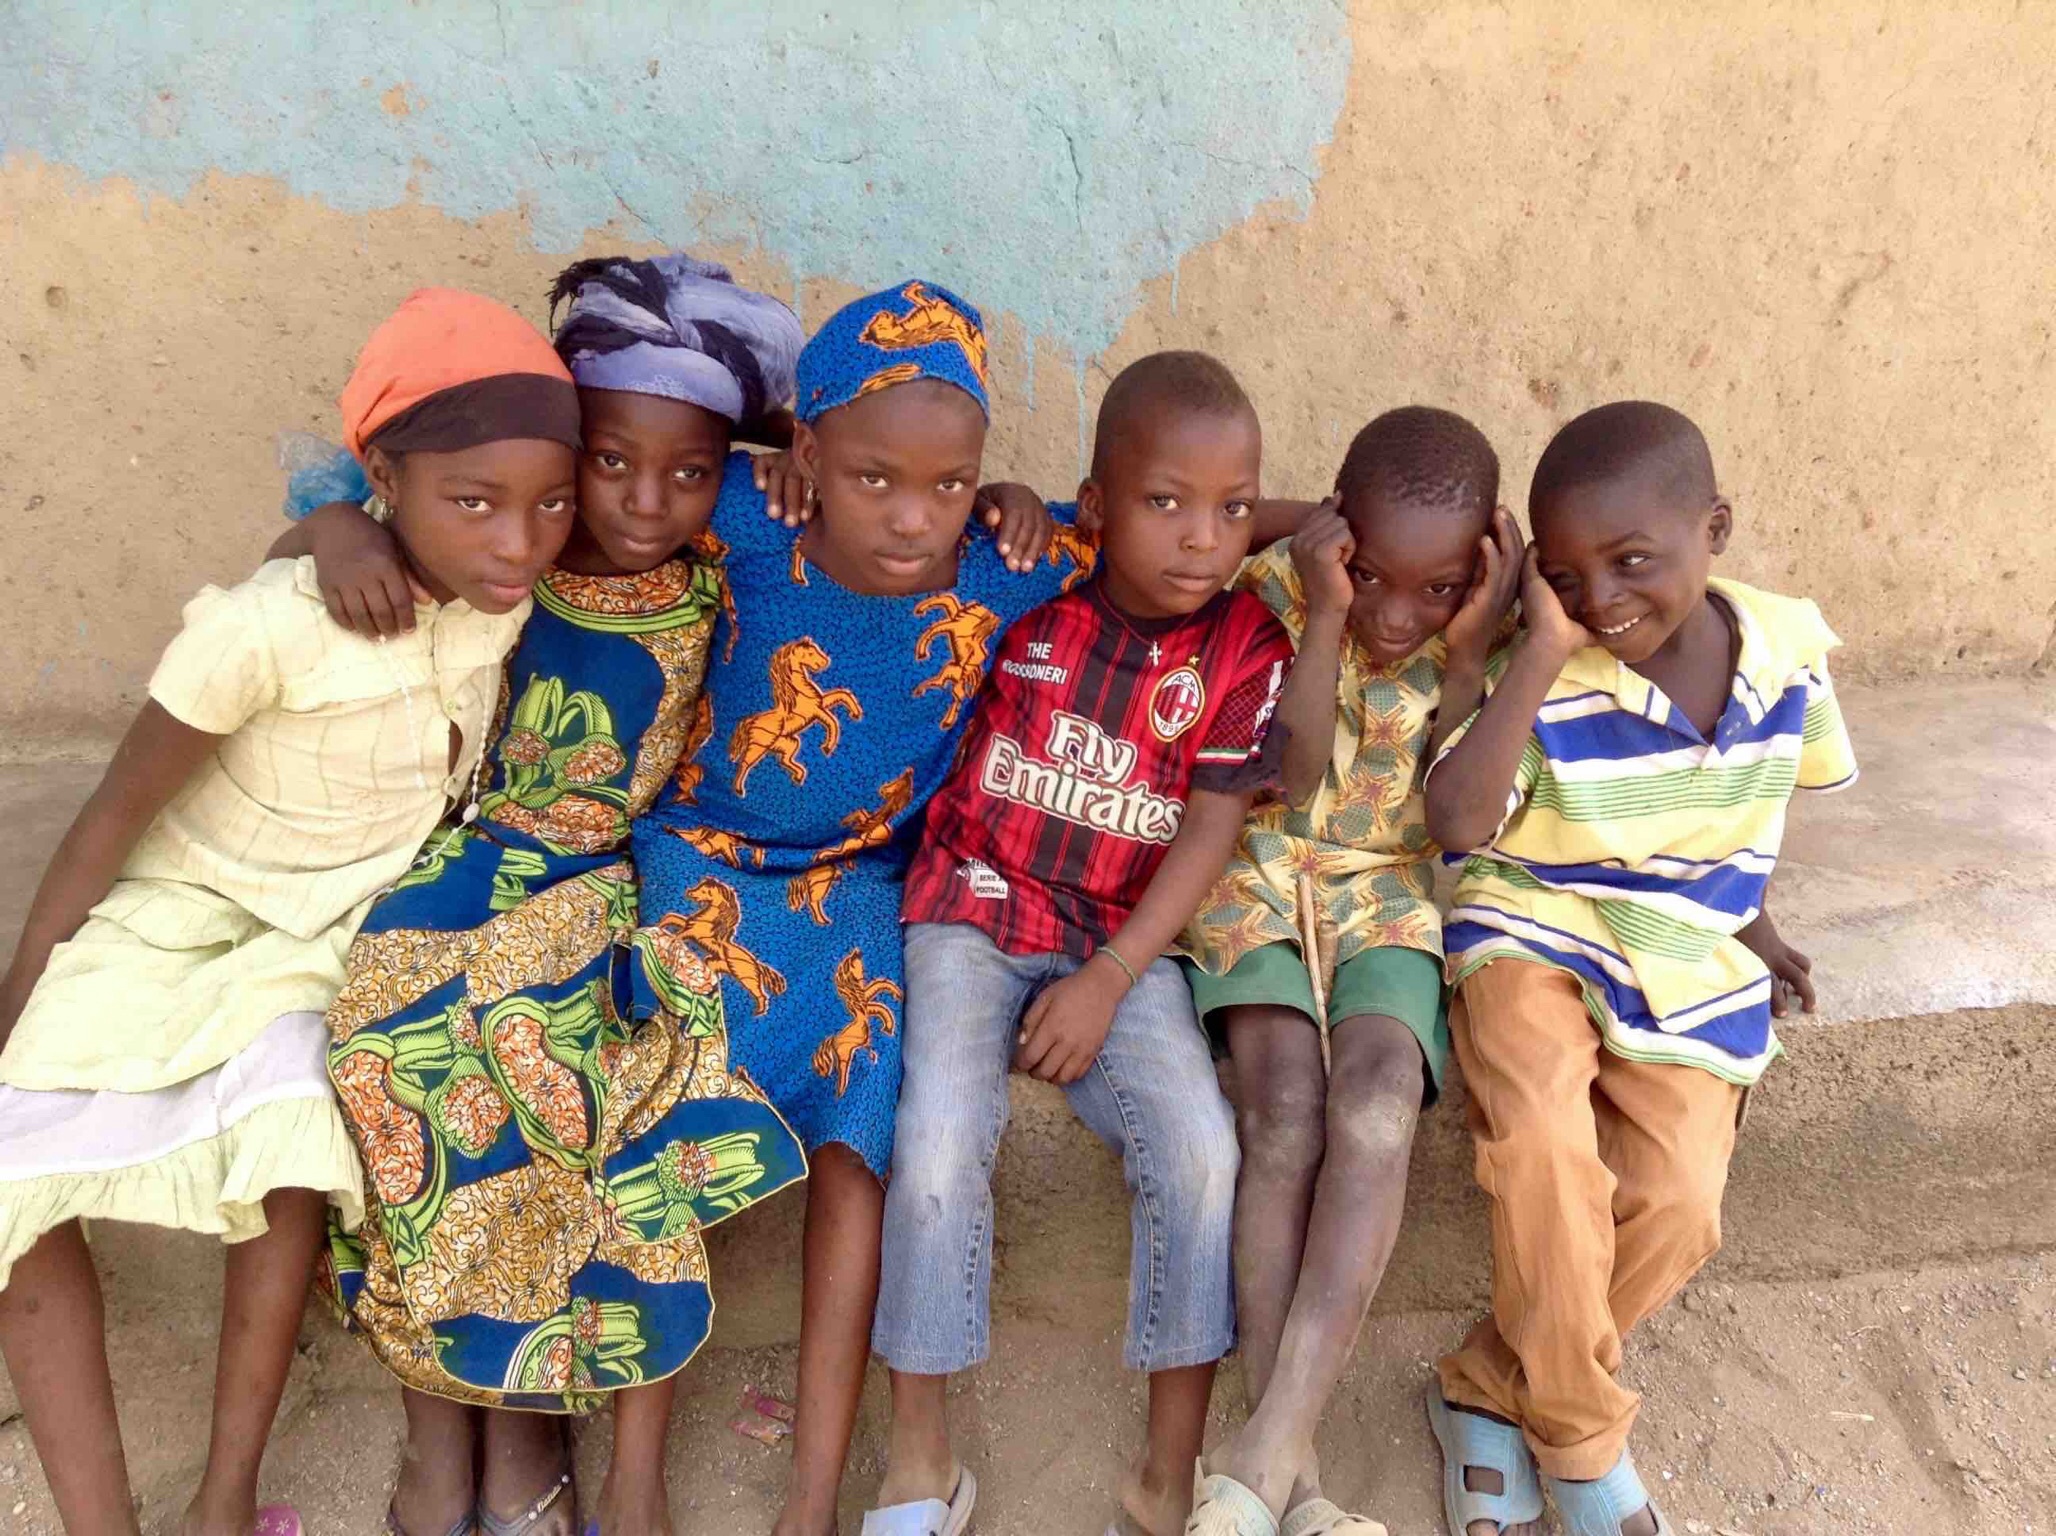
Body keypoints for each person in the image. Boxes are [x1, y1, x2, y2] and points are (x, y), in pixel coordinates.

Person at [0, 287, 580, 1536]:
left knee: (289, 1134)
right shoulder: (272, 627)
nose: (520, 542)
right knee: (12, 1172)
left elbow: (706, 471)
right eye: (473, 502)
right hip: (182, 910)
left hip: (331, 941)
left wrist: (334, 524)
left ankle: (225, 1498)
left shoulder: (504, 593)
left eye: (549, 504)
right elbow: (108, 817)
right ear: (383, 475)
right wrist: (17, 1006)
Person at [280, 255, 812, 1536]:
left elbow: (889, 502)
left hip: (608, 879)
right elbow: (325, 504)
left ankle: (533, 1433)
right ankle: (437, 1424)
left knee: (583, 1069)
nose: (643, 500)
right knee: (381, 1032)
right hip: (463, 855)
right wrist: (335, 527)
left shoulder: (723, 546)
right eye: (609, 467)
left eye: (689, 472)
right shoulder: (520, 538)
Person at [626, 279, 1081, 1536]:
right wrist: (332, 527)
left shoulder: (1000, 562)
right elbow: (586, 464)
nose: (913, 519)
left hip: (862, 886)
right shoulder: (738, 519)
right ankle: (632, 1484)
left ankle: (812, 1498)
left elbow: (1181, 527)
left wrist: (1327, 525)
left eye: (950, 484)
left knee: (859, 1127)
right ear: (808, 455)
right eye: (874, 478)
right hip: (701, 859)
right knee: (665, 1095)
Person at [869, 351, 1296, 1536]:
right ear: (1094, 509)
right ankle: (917, 1465)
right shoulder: (1034, 574)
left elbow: (1211, 823)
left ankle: (1167, 1475)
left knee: (1202, 1152)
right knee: (941, 1136)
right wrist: (1022, 503)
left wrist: (1109, 980)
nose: (1203, 539)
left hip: (1124, 937)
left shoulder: (1247, 645)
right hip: (970, 905)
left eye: (1232, 510)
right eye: (1164, 503)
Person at [1420, 401, 1857, 1536]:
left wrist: (1750, 917)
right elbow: (1460, 827)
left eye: (1630, 562)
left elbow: (1751, 796)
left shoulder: (1788, 657)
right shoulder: (1549, 671)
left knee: (1677, 1203)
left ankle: (1485, 1383)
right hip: (1529, 925)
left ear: (1714, 529)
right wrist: (1536, 656)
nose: (1602, 598)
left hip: (1677, 945)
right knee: (1546, 1156)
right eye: (1564, 577)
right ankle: (1578, 1444)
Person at [1181, 407, 1521, 1536]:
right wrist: (1324, 609)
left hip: (1388, 888)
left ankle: (1264, 1455)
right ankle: (1304, 1482)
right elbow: (1288, 768)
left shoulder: (1475, 626)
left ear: (1478, 568)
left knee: (1376, 1107)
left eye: (1433, 588)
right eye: (1370, 573)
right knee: (1281, 1109)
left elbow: (1452, 819)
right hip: (1255, 871)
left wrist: (1468, 651)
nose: (1394, 612)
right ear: (1334, 533)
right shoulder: (1283, 586)